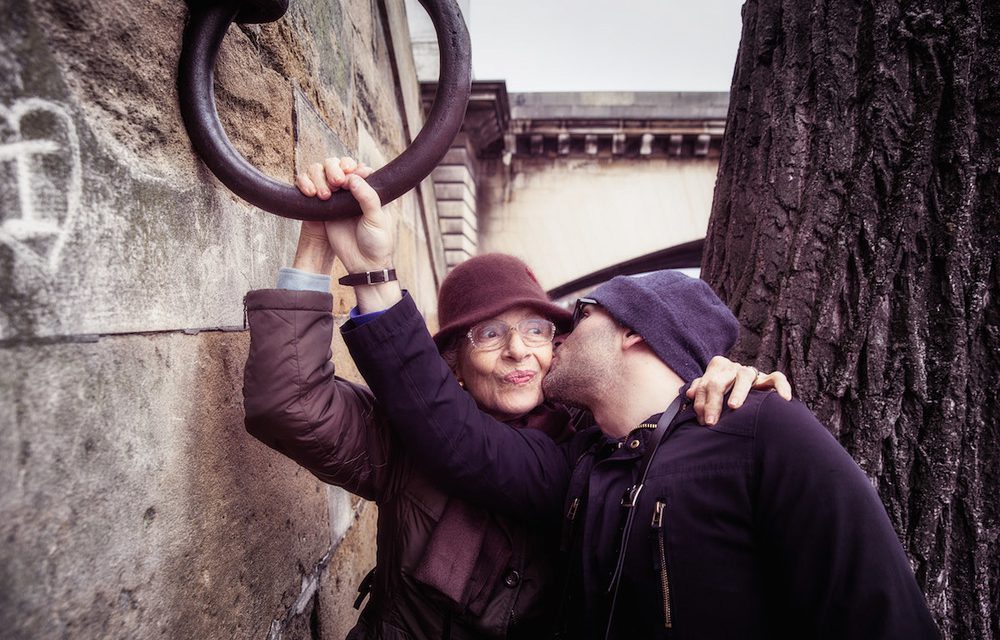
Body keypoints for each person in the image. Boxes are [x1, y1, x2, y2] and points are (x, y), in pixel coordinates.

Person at [329, 172, 940, 637]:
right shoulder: (582, 464)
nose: (557, 334)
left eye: (583, 315)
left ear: (635, 332)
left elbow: (881, 612)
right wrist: (371, 276)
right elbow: (457, 436)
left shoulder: (764, 432)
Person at [242, 157, 788, 640]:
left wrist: (714, 385)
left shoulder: (596, 452)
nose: (518, 352)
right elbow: (289, 403)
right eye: (488, 334)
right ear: (451, 360)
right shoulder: (404, 438)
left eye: (536, 329)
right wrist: (315, 239)